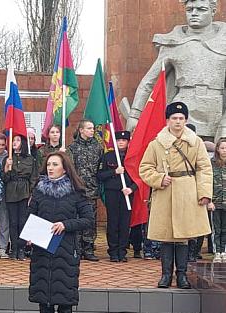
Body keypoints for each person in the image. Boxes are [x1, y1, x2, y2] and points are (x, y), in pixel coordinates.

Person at [127, 0, 226, 143]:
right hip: (182, 108)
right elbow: (148, 82)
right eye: (190, 9)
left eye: (201, 9)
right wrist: (135, 115)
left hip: (215, 109)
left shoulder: (223, 42)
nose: (194, 14)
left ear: (213, 11)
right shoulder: (173, 42)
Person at [28, 151, 94, 313]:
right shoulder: (39, 191)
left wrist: (66, 225)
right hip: (42, 251)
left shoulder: (76, 192)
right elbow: (32, 217)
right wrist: (28, 236)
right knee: (44, 300)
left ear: (64, 168)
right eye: (48, 164)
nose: (50, 168)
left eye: (54, 164)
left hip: (65, 251)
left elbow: (88, 219)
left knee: (64, 301)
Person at [139, 102, 213, 288]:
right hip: (165, 192)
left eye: (181, 118)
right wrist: (158, 178)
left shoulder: (195, 142)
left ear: (186, 120)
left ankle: (181, 275)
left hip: (188, 192)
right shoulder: (156, 144)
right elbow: (145, 167)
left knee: (183, 237)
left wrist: (204, 192)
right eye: (174, 118)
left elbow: (204, 168)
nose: (178, 122)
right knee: (166, 236)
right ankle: (165, 275)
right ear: (167, 120)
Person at [97, 131, 137, 262]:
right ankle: (113, 251)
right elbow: (100, 175)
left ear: (128, 142)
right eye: (118, 140)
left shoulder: (132, 157)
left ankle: (122, 251)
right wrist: (114, 171)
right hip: (112, 192)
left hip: (127, 193)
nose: (121, 142)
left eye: (124, 140)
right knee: (113, 222)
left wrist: (131, 189)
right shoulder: (108, 156)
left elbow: (138, 177)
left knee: (125, 223)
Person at [68, 119, 103, 261]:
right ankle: (77, 248)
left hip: (92, 190)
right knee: (76, 219)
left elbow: (101, 167)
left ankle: (88, 248)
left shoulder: (98, 147)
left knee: (90, 220)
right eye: (88, 128)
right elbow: (70, 169)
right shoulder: (73, 148)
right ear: (81, 130)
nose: (92, 130)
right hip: (77, 190)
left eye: (93, 128)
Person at [3, 135, 39, 260]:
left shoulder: (30, 159)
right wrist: (7, 167)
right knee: (13, 222)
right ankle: (14, 248)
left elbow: (34, 177)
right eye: (13, 140)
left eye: (17, 140)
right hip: (11, 190)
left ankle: (22, 248)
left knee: (23, 221)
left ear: (23, 143)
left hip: (25, 191)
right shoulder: (8, 159)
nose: (14, 142)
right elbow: (5, 179)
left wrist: (31, 193)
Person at [209, 139, 226, 261]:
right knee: (216, 229)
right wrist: (209, 200)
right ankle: (217, 252)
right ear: (217, 150)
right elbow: (207, 183)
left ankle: (224, 251)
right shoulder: (211, 164)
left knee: (225, 229)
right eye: (222, 148)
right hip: (215, 202)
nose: (224, 151)